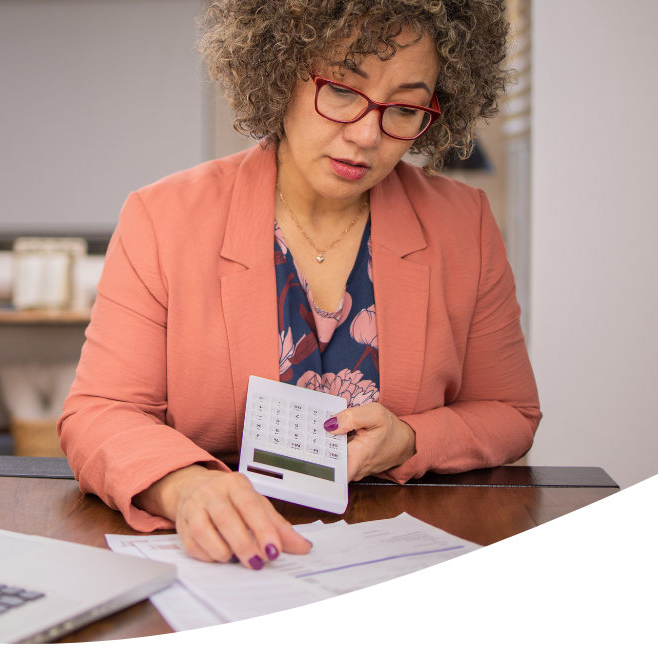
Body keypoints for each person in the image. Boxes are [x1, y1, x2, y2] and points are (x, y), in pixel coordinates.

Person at [59, 0, 539, 571]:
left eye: (405, 108)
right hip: (225, 562)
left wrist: (411, 438)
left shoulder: (465, 224)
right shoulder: (163, 218)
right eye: (341, 89)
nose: (366, 136)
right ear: (279, 70)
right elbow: (98, 413)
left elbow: (510, 411)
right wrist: (184, 487)